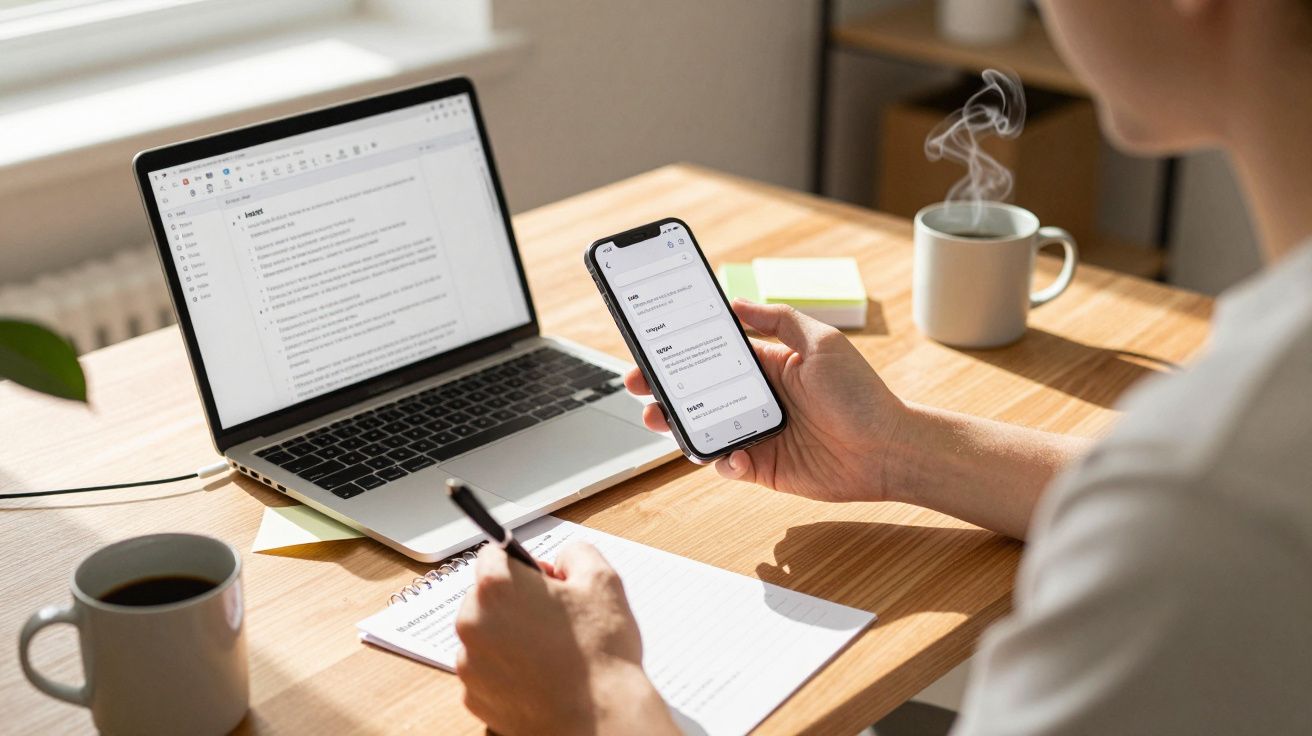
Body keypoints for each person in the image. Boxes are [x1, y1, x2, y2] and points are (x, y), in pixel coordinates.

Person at [453, 1, 1312, 733]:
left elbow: (1185, 508)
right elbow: (1162, 501)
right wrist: (892, 449)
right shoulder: (1228, 459)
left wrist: (596, 697)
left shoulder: (1213, 494)